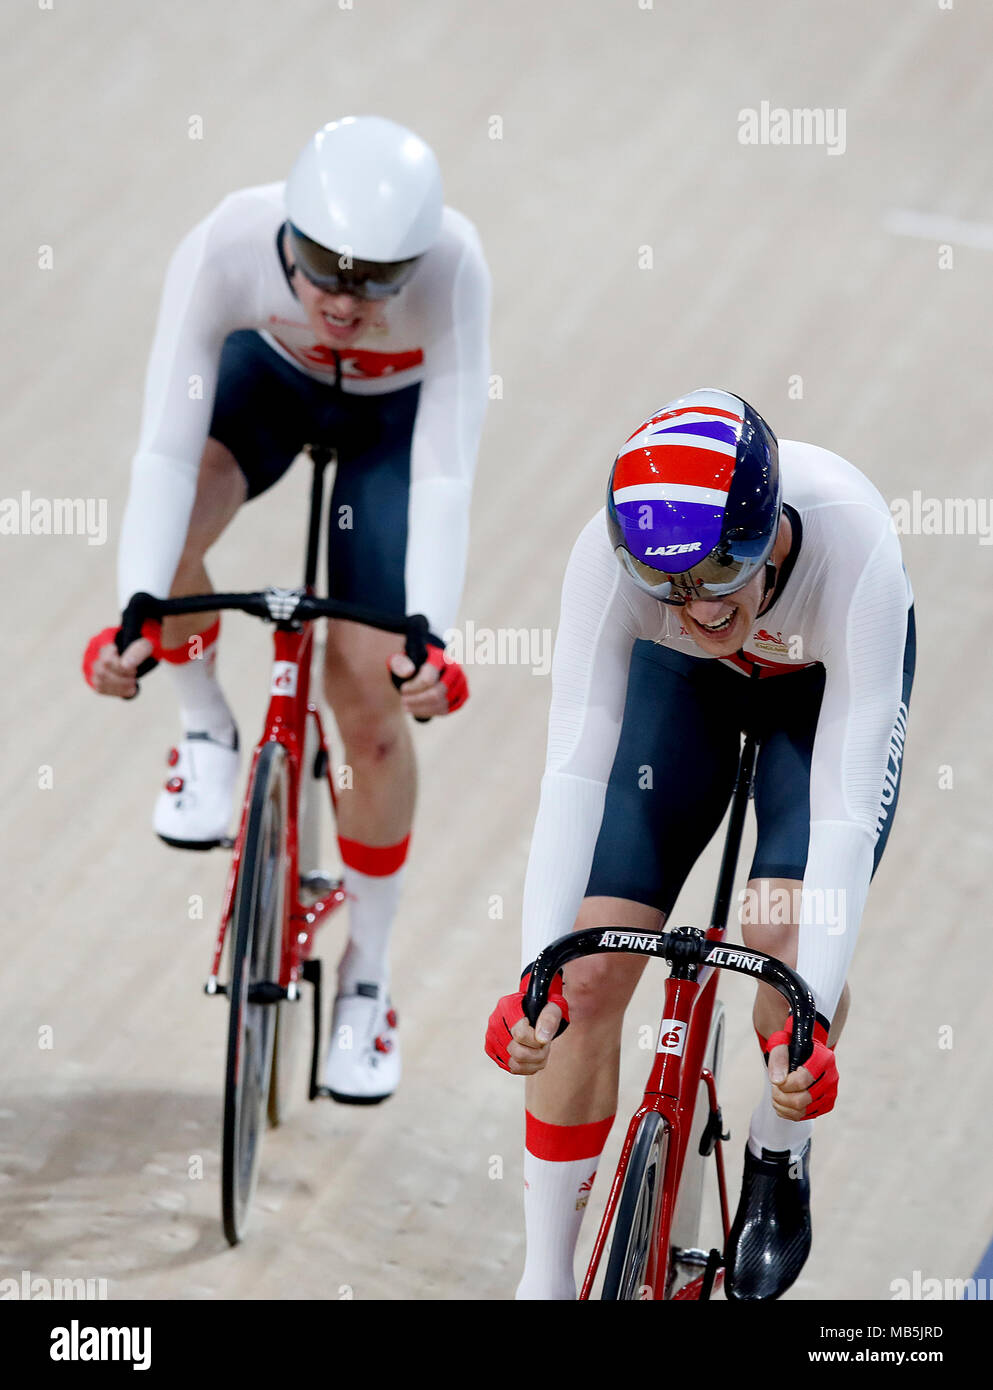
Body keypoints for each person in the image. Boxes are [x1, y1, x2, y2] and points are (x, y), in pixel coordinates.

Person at [82, 115, 490, 1103]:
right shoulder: (226, 238)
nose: (346, 301)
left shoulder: (455, 265)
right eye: (322, 270)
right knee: (176, 538)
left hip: (392, 431)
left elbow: (442, 472)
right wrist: (137, 610)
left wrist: (427, 634)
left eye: (375, 279)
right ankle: (206, 730)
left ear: (415, 260)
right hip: (271, 386)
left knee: (369, 701)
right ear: (287, 237)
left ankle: (369, 975)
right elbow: (166, 451)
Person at [486, 387, 915, 1300]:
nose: (694, 607)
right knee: (584, 979)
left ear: (770, 537)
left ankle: (777, 1152)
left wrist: (808, 1021)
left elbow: (839, 823)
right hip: (681, 692)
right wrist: (534, 978)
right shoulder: (619, 572)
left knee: (778, 949)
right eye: (667, 586)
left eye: (720, 574)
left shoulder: (854, 549)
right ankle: (544, 1276)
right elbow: (571, 774)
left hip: (816, 699)